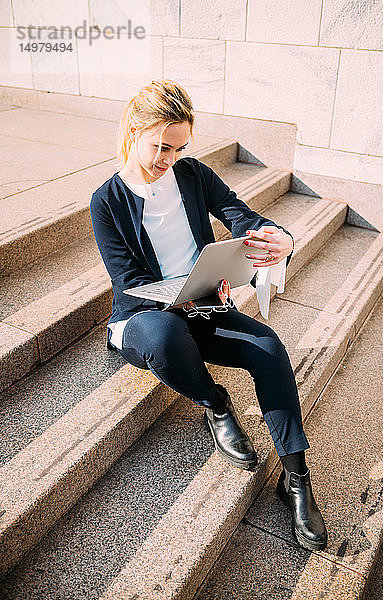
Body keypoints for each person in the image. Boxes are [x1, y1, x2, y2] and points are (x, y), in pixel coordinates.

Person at [90, 79, 327, 551]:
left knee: (269, 347)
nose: (168, 159)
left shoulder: (193, 175)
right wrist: (182, 295)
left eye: (177, 148)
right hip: (147, 316)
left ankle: (296, 476)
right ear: (133, 130)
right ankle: (216, 404)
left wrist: (277, 236)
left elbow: (238, 213)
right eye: (160, 146)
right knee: (162, 339)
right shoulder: (107, 201)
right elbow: (128, 281)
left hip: (204, 304)